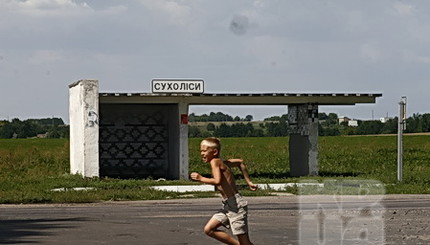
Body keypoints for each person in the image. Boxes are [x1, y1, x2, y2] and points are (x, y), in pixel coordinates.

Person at [190, 137, 258, 245]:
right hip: (227, 206)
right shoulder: (223, 162)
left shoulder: (214, 162)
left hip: (236, 206)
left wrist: (201, 178)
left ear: (214, 152)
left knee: (245, 242)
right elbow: (240, 162)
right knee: (209, 229)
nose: (202, 153)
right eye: (201, 151)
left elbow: (217, 181)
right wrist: (248, 181)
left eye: (204, 151)